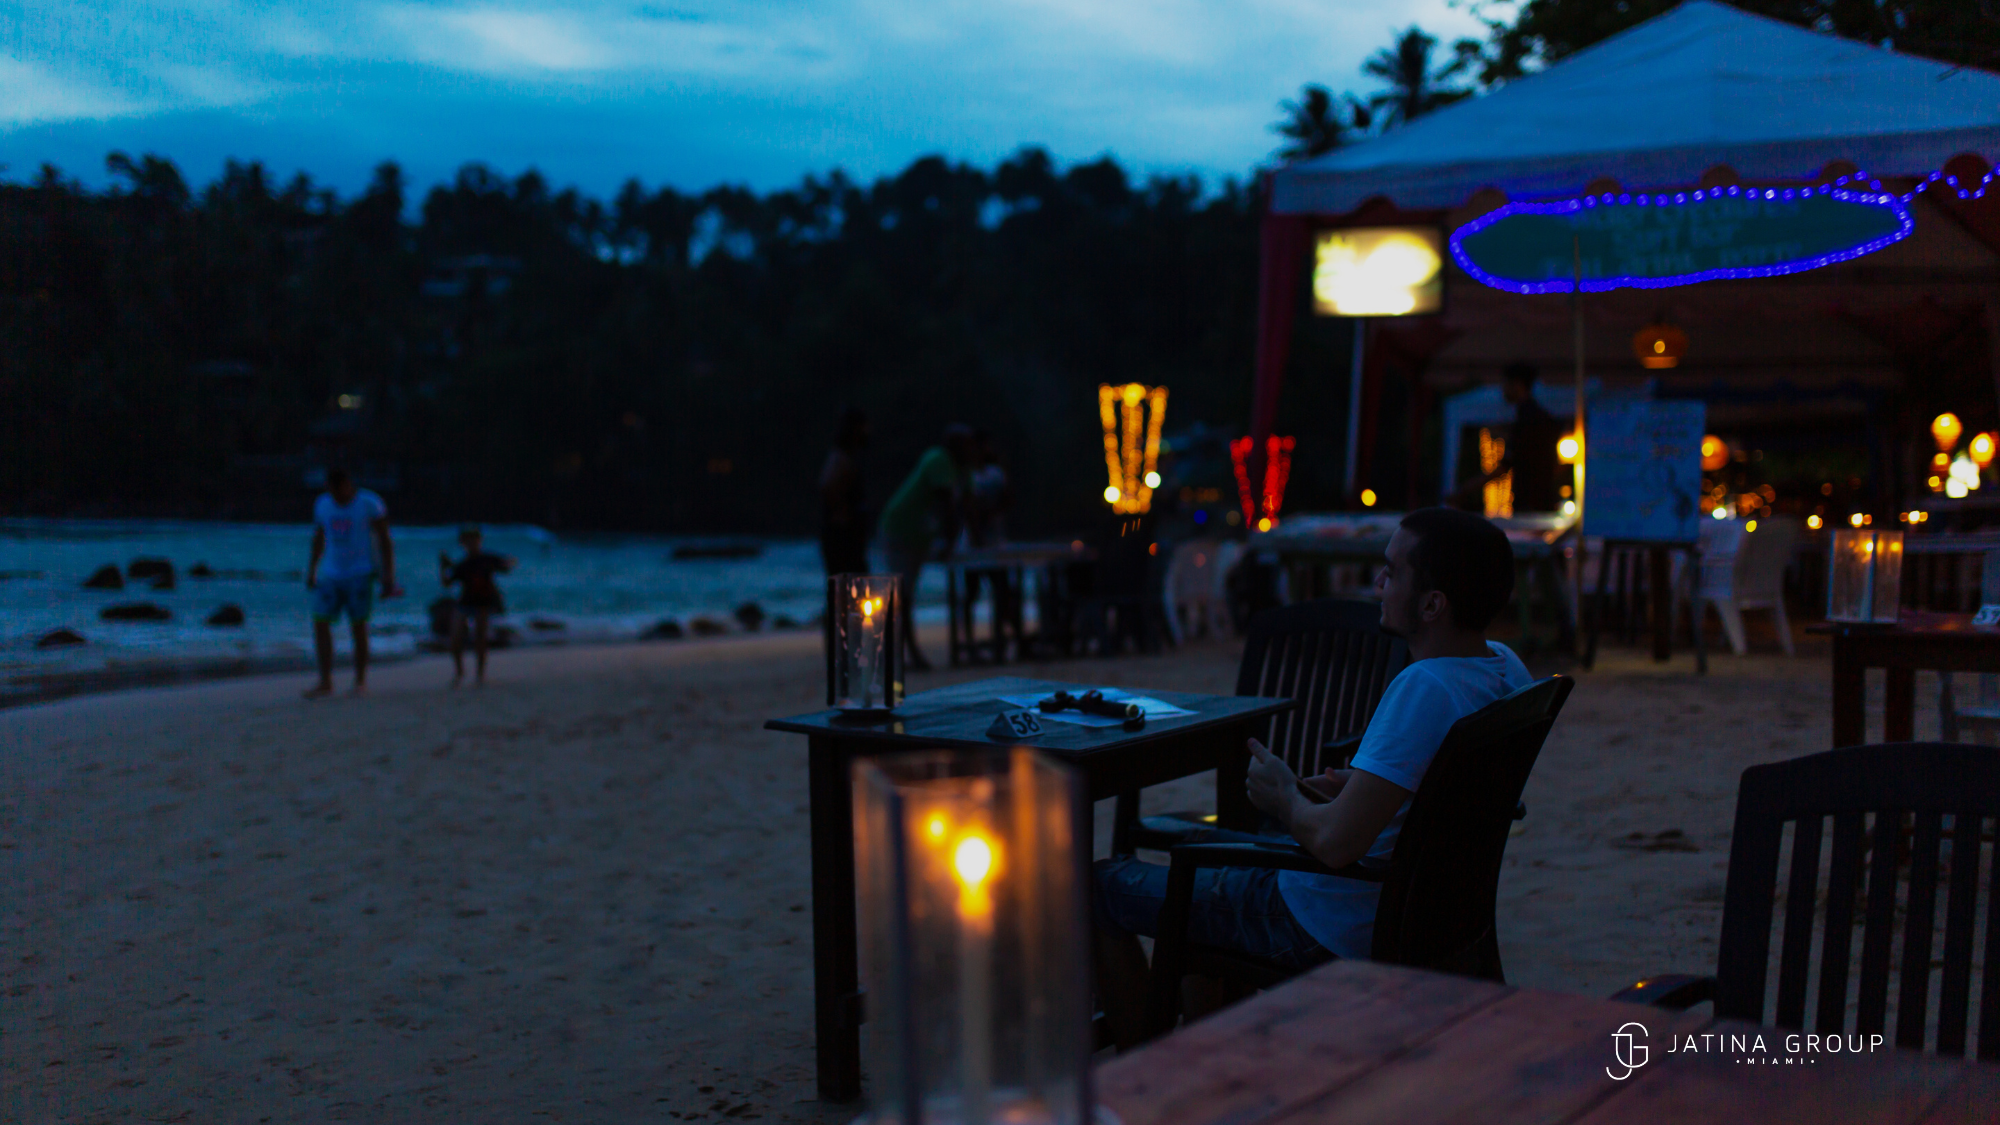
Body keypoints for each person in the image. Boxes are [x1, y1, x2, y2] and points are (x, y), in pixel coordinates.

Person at [1092, 507, 1529, 1046]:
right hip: (1431, 921)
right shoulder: (1504, 669)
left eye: (1392, 572)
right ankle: (1218, 1055)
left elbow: (1335, 843)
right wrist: (1367, 789)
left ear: (1432, 604)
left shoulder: (1425, 687)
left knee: (1101, 885)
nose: (1379, 583)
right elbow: (1454, 796)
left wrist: (1282, 796)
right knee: (1207, 871)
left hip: (1324, 922)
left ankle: (1148, 1066)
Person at [877, 424, 973, 671]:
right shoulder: (938, 459)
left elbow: (966, 507)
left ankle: (906, 654)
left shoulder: (962, 470)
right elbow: (947, 504)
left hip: (920, 537)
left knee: (905, 595)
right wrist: (950, 541)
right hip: (900, 530)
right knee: (901, 596)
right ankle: (901, 655)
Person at [305, 467, 400, 698]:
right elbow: (319, 537)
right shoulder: (323, 504)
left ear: (348, 485)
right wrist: (312, 570)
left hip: (360, 572)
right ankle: (325, 681)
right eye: (332, 490)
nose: (337, 495)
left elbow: (385, 539)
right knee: (320, 622)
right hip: (331, 573)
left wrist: (388, 574)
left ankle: (360, 681)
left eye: (339, 490)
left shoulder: (369, 503)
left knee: (358, 626)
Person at [1458, 363, 1563, 514]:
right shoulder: (1539, 417)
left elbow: (1507, 464)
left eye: (1505, 384)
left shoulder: (1527, 419)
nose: (1503, 389)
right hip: (1542, 501)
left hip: (1529, 504)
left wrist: (1465, 490)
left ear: (1517, 385)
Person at [440, 525, 514, 685]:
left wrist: (508, 563)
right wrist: (443, 567)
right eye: (467, 540)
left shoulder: (487, 559)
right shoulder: (463, 564)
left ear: (479, 540)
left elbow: (507, 565)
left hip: (483, 602)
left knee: (480, 639)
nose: (471, 543)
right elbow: (447, 583)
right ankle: (460, 672)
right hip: (465, 602)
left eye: (473, 540)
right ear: (462, 543)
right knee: (455, 638)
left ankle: (480, 674)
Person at [820, 408, 871, 576]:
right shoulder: (840, 458)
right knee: (847, 584)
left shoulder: (846, 457)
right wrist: (843, 518)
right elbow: (827, 485)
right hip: (843, 539)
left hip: (847, 537)